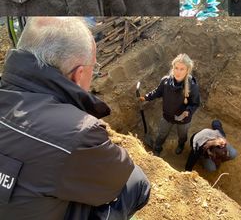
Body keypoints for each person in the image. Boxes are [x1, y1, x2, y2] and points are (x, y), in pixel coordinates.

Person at [0, 17, 150, 219]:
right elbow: (118, 175)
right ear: (78, 74)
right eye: (93, 69)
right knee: (137, 182)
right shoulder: (78, 133)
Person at [141, 53, 200, 156]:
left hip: (183, 119)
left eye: (182, 69)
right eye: (176, 68)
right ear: (173, 67)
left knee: (182, 135)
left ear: (187, 70)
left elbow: (195, 103)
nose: (178, 71)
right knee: (161, 134)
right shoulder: (165, 81)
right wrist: (146, 97)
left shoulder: (192, 86)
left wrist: (188, 111)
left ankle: (181, 145)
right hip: (167, 115)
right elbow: (157, 92)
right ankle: (157, 148)